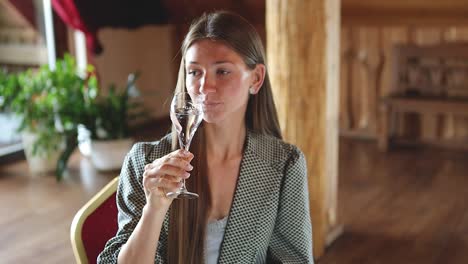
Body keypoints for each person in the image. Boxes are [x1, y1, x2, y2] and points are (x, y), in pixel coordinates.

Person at [98, 10, 313, 264]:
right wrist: (154, 209)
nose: (204, 87)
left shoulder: (284, 164)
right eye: (195, 72)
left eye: (222, 71)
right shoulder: (145, 161)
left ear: (256, 79)